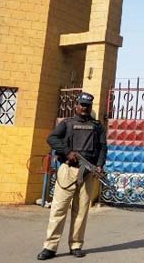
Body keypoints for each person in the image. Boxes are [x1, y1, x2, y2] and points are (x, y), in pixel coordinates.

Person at [37, 92, 107, 260]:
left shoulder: (97, 126)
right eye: (82, 105)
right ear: (76, 106)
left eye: (87, 106)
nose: (84, 108)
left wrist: (99, 165)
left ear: (90, 107)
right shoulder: (67, 123)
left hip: (88, 173)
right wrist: (67, 152)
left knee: (81, 211)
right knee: (58, 209)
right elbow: (52, 139)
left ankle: (76, 245)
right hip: (68, 171)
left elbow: (102, 147)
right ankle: (50, 247)